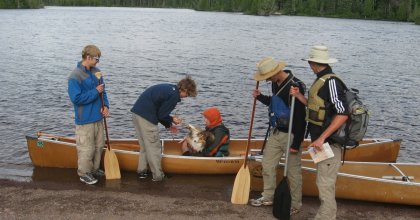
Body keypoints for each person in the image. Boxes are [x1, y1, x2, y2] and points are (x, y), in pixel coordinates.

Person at [290, 45, 349, 220]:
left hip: (329, 143)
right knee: (322, 182)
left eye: (310, 62)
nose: (309, 65)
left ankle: (326, 217)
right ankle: (324, 215)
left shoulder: (331, 82)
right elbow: (318, 108)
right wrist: (300, 96)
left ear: (314, 63)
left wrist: (322, 137)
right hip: (321, 143)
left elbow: (343, 113)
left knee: (325, 184)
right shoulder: (321, 80)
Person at [249, 57, 307, 216]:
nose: (267, 80)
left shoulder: (296, 85)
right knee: (267, 165)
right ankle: (268, 196)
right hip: (276, 132)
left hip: (292, 134)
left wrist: (296, 143)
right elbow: (276, 104)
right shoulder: (275, 83)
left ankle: (295, 204)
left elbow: (301, 117)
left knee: (293, 171)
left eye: (268, 76)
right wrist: (260, 97)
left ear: (276, 72)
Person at [131, 76, 197, 181]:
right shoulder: (174, 96)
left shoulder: (169, 88)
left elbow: (160, 112)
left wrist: (170, 120)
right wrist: (171, 123)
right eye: (188, 94)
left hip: (136, 113)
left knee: (144, 145)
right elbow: (161, 115)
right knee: (154, 147)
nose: (186, 97)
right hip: (147, 118)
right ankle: (158, 176)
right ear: (184, 89)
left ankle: (142, 171)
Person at [68, 45, 108, 185]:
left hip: (98, 117)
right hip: (85, 119)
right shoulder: (75, 76)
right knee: (86, 148)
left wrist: (106, 106)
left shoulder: (97, 72)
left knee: (98, 145)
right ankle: (84, 173)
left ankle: (94, 169)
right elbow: (76, 99)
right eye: (96, 59)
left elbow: (103, 92)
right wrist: (95, 92)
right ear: (88, 57)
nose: (98, 62)